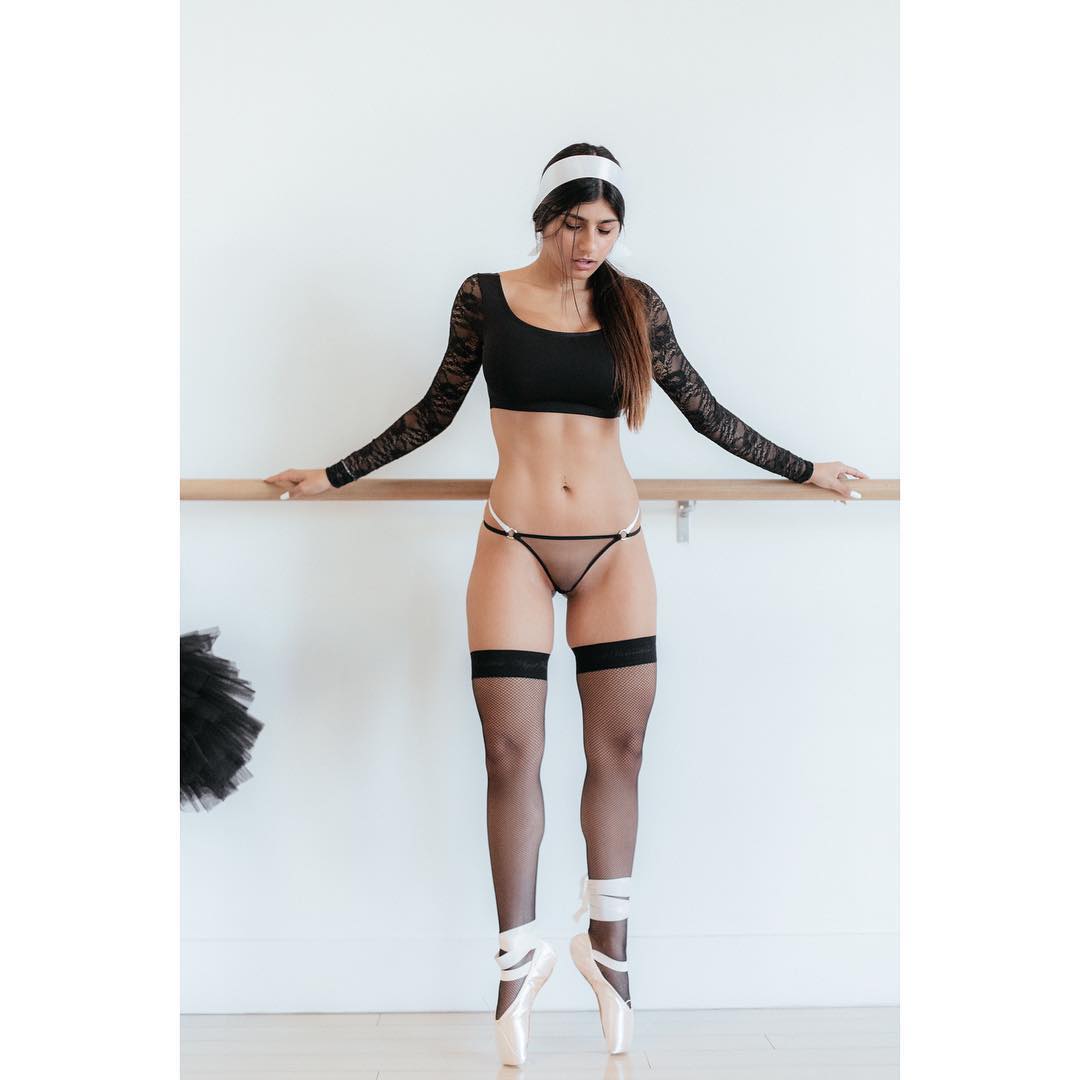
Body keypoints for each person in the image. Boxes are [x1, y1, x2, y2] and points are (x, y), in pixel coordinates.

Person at [264, 142, 867, 1064]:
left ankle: (609, 952)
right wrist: (334, 474)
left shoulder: (634, 306)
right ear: (544, 221)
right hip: (515, 542)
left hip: (613, 549)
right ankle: (517, 964)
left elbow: (704, 408)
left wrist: (805, 467)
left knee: (619, 751)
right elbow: (435, 409)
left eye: (607, 228)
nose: (589, 244)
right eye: (574, 225)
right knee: (510, 753)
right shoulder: (484, 297)